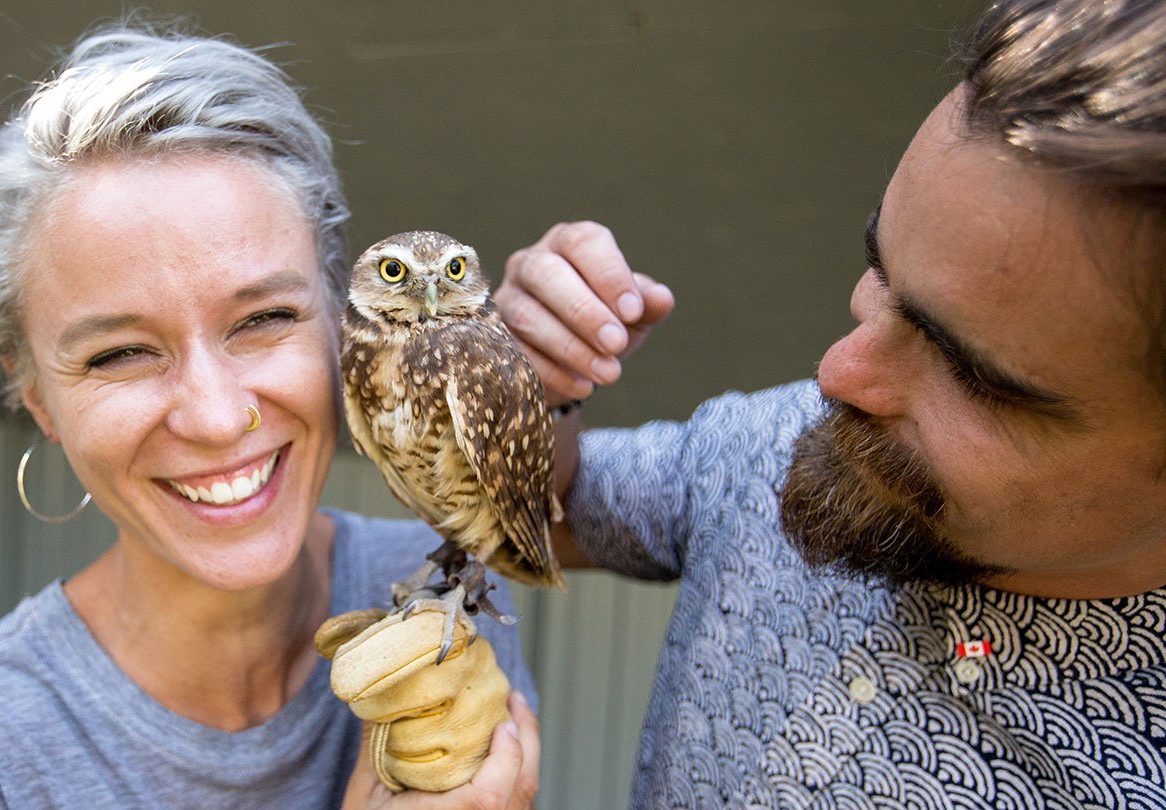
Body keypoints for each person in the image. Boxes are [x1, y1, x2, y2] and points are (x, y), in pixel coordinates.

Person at [0, 23, 618, 809]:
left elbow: (550, 491)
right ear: (36, 399)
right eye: (118, 354)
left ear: (342, 320)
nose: (215, 416)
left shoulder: (447, 595)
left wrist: (542, 383)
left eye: (263, 319)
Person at [496, 0, 1166, 806]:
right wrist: (522, 386)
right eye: (879, 273)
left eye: (971, 375)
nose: (838, 374)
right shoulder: (779, 441)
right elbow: (536, 519)